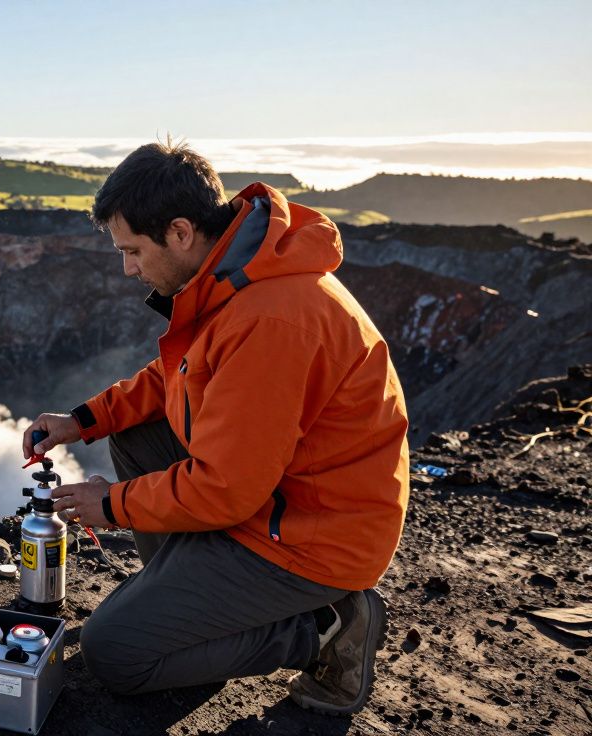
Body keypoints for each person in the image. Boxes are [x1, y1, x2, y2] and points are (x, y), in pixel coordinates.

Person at [22, 140, 408, 715]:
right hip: (279, 497)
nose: (129, 268)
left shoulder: (271, 319)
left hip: (313, 535)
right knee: (136, 434)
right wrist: (83, 421)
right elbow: (174, 377)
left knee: (113, 653)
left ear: (179, 232)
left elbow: (226, 487)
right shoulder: (234, 275)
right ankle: (195, 617)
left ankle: (328, 628)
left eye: (133, 250)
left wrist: (111, 504)